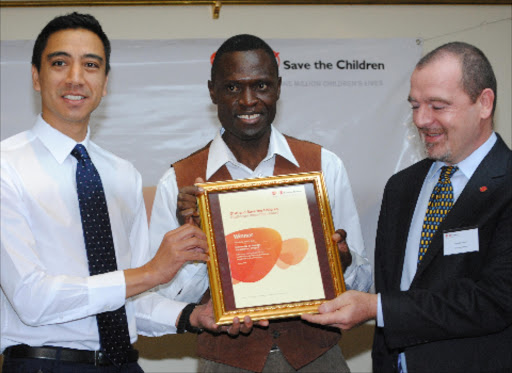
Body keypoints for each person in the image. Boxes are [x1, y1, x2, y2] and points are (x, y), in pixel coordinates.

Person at [0, 12, 210, 372]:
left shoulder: (122, 174)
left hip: (124, 364)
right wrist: (151, 273)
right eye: (60, 62)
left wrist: (194, 316)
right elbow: (31, 299)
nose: (76, 78)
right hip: (45, 364)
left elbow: (132, 298)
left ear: (106, 82)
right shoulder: (6, 167)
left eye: (91, 65)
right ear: (36, 76)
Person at [149, 34, 372, 372]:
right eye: (233, 88)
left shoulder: (324, 167)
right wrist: (193, 240)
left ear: (279, 87)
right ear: (212, 91)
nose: (248, 100)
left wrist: (340, 261)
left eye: (262, 86)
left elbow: (364, 285)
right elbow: (168, 301)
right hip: (226, 362)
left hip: (317, 358)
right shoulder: (180, 183)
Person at [302, 41, 512, 372]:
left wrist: (376, 308)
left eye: (438, 106)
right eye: (415, 105)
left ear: (484, 103)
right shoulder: (402, 187)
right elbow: (393, 287)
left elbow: (494, 301)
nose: (421, 119)